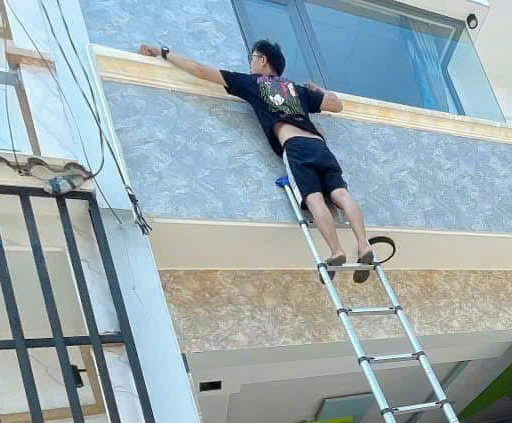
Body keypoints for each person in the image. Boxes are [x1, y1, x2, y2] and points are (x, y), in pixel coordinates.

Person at [138, 40, 375, 281]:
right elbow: (337, 105)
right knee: (341, 194)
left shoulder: (252, 83)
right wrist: (318, 90)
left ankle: (336, 251)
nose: (250, 64)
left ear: (263, 60)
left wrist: (162, 52)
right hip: (320, 145)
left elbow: (199, 70)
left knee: (314, 198)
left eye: (252, 58)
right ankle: (364, 245)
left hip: (295, 147)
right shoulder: (297, 89)